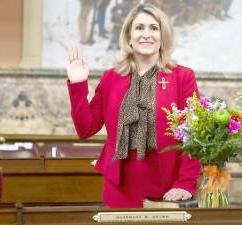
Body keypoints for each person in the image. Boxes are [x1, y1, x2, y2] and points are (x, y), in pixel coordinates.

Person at [66, 3, 201, 208]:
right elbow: (85, 128)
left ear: (163, 36)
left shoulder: (183, 77)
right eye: (139, 28)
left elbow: (194, 134)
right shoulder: (111, 78)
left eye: (153, 28)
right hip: (119, 190)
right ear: (129, 36)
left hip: (168, 192)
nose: (146, 34)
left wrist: (185, 183)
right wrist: (78, 85)